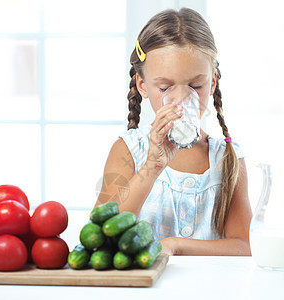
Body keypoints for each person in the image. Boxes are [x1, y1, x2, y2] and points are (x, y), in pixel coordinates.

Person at [95, 8, 252, 256]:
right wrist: (152, 167)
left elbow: (244, 246)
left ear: (212, 83)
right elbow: (100, 236)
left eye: (195, 86)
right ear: (143, 85)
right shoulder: (129, 149)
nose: (180, 99)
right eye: (166, 87)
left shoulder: (227, 157)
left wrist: (176, 245)